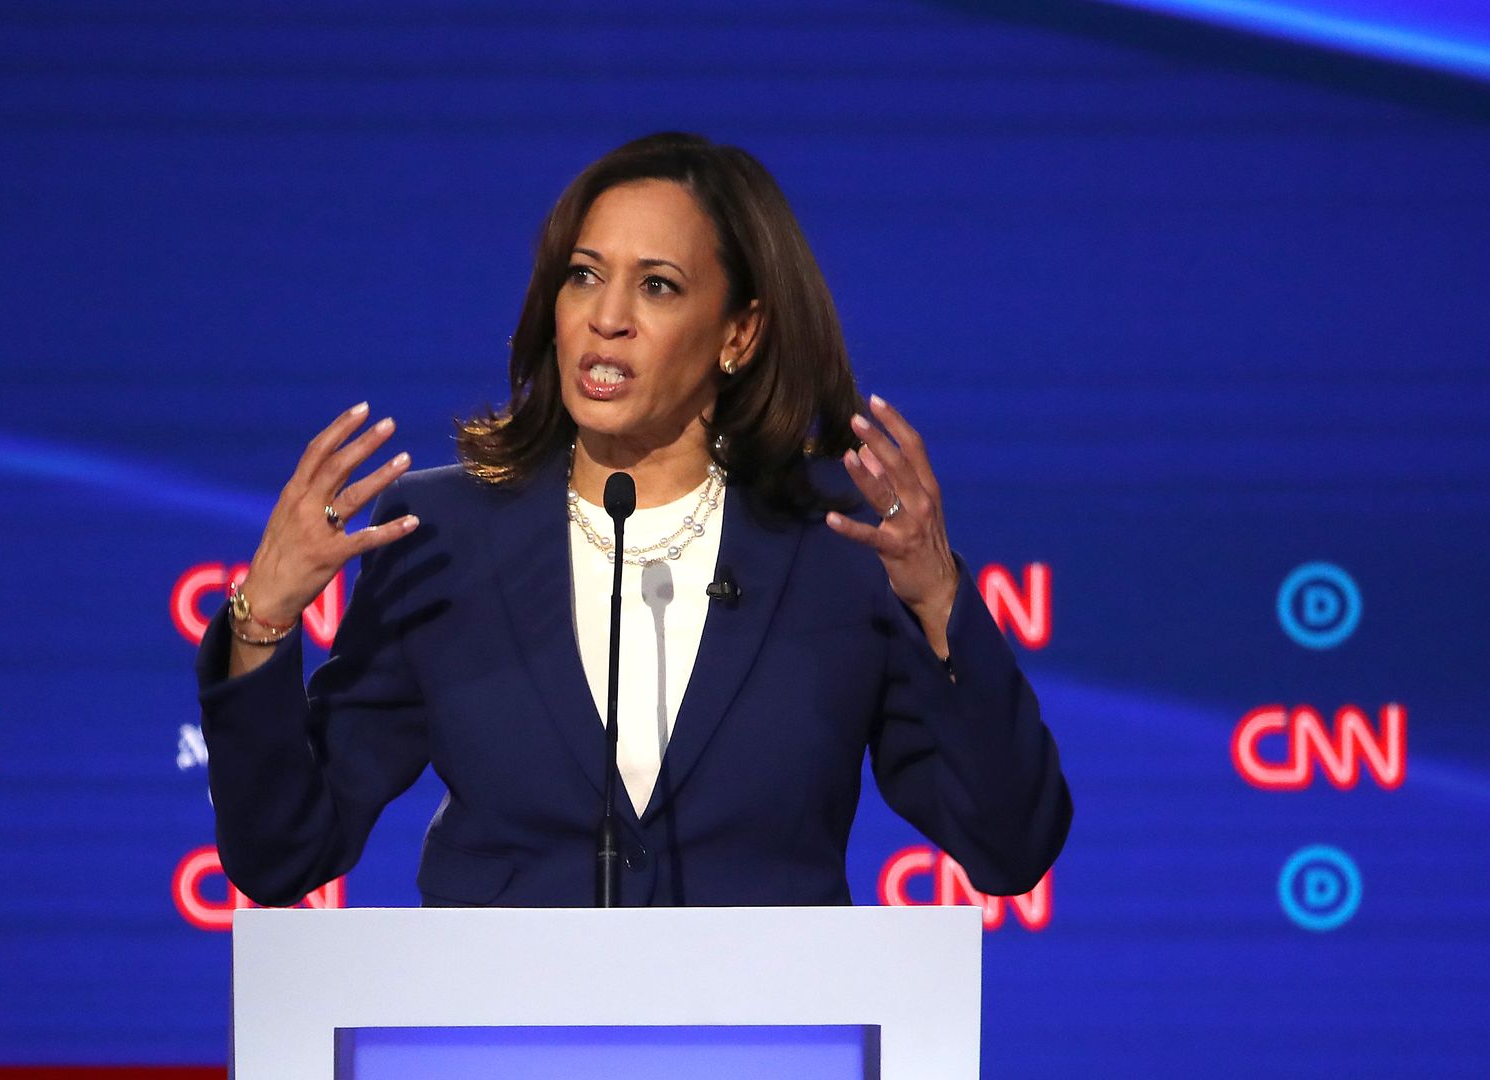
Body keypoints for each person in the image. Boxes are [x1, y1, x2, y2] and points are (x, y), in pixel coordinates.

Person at [196, 132, 1070, 907]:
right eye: (584, 276)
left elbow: (1008, 849)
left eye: (657, 286)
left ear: (740, 333)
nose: (606, 320)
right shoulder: (446, 533)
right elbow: (284, 858)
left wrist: (940, 602)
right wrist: (263, 617)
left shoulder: (837, 542)